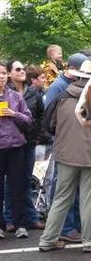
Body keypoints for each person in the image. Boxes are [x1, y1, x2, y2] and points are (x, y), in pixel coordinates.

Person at [38, 60, 91, 253]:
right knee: (88, 200)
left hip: (65, 154)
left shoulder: (61, 97)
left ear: (78, 76)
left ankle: (48, 239)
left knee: (61, 198)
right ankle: (89, 241)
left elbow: (49, 125)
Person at [3, 61, 46, 232]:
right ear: (9, 73)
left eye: (23, 69)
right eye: (18, 69)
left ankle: (30, 217)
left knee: (26, 181)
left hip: (28, 142)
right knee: (10, 183)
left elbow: (40, 116)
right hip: (9, 144)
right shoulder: (6, 93)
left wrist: (38, 137)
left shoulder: (32, 92)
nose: (22, 72)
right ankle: (9, 219)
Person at [0, 61, 33, 239]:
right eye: (0, 73)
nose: (2, 76)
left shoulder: (15, 96)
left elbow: (29, 119)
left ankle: (20, 224)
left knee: (18, 187)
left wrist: (15, 114)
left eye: (4, 73)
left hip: (16, 147)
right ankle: (1, 225)